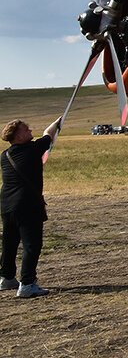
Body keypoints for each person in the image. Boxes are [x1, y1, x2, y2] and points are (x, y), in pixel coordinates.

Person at [1, 118, 61, 298]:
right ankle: (27, 284)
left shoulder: (5, 155)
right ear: (19, 136)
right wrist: (58, 120)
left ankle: (7, 278)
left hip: (6, 205)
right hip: (27, 206)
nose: (30, 130)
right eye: (26, 129)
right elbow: (48, 134)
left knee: (9, 244)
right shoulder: (32, 150)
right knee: (31, 245)